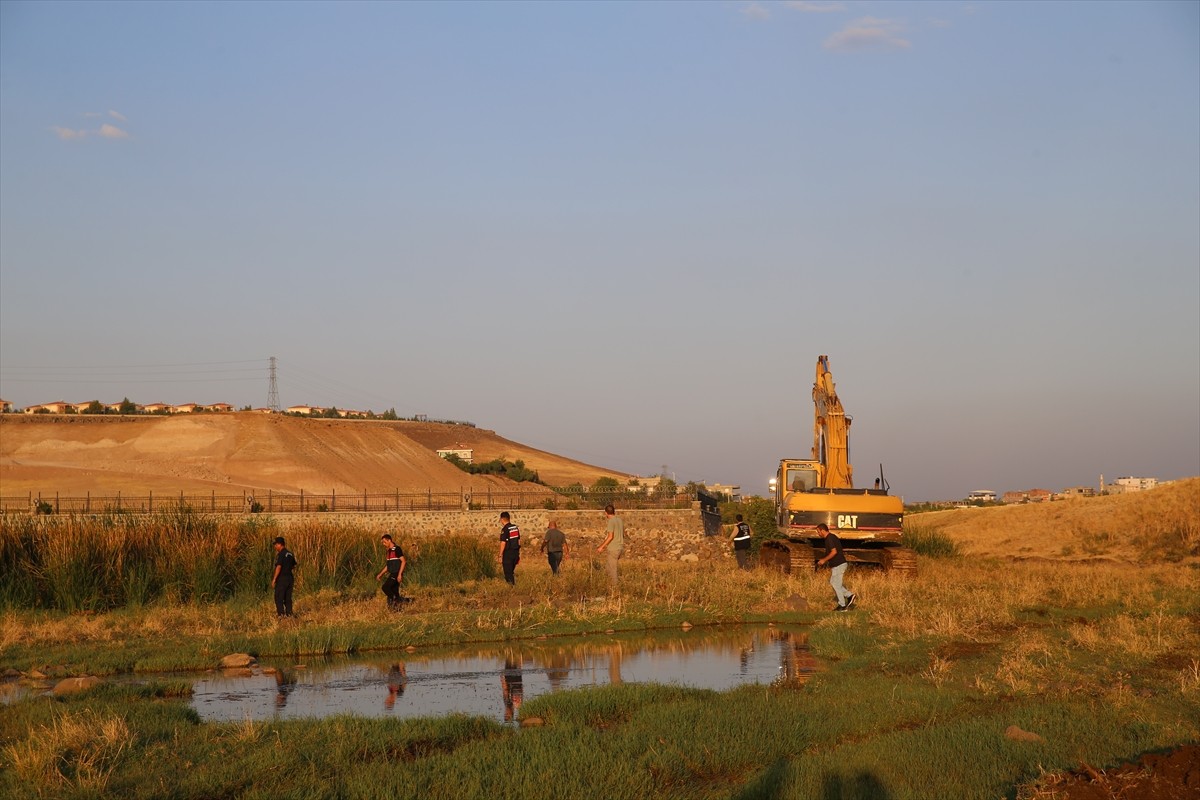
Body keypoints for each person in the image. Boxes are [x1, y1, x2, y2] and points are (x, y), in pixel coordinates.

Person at [815, 522, 856, 611]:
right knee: (834, 582)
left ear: (822, 530)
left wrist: (824, 560)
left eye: (818, 532)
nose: (818, 534)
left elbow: (834, 552)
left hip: (839, 564)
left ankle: (842, 605)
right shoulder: (829, 538)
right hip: (837, 565)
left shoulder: (830, 538)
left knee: (836, 584)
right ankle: (850, 596)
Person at [375, 533, 407, 610]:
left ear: (389, 540)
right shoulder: (388, 551)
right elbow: (388, 566)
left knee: (385, 587)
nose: (383, 544)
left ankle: (397, 600)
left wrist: (399, 574)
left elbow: (403, 561)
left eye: (384, 542)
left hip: (396, 573)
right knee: (394, 591)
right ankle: (397, 609)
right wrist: (380, 574)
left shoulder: (397, 549)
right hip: (392, 573)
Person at [595, 504, 624, 587]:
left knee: (612, 570)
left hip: (614, 549)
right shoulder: (619, 520)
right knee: (608, 568)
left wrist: (601, 547)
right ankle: (607, 585)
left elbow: (611, 536)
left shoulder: (611, 521)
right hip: (619, 547)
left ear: (606, 513)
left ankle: (615, 589)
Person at [271, 536, 297, 617]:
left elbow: (279, 566)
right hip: (290, 578)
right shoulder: (290, 554)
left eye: (276, 545)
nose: (275, 547)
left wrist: (274, 579)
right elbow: (294, 566)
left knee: (279, 597)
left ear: (280, 544)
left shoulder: (281, 554)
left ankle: (281, 615)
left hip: (282, 578)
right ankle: (289, 614)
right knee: (287, 598)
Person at [498, 512, 521, 585]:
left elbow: (503, 543)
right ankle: (512, 586)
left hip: (508, 553)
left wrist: (500, 555)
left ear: (502, 519)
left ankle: (512, 588)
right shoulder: (515, 527)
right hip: (515, 552)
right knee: (511, 571)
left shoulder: (505, 529)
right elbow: (518, 540)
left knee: (508, 573)